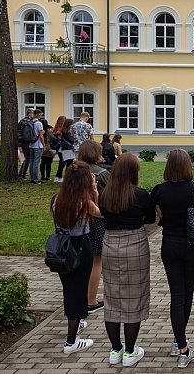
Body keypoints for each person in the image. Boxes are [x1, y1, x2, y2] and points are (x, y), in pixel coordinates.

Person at [151, 149, 194, 368]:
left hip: (170, 245)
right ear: (188, 166)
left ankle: (179, 342)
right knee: (188, 292)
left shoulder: (159, 190)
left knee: (177, 294)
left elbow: (160, 216)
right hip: (193, 246)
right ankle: (182, 347)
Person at [98, 153, 155, 367]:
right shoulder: (140, 195)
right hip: (135, 245)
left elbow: (102, 215)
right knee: (134, 297)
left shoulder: (104, 194)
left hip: (110, 244)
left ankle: (115, 350)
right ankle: (130, 352)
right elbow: (151, 218)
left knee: (112, 296)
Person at [52, 161, 101, 353]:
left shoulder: (56, 199)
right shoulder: (84, 202)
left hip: (62, 248)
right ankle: (71, 342)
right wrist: (95, 191)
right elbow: (100, 214)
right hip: (80, 246)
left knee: (69, 288)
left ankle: (77, 321)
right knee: (79, 291)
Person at [79, 140, 111, 314]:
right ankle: (91, 300)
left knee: (80, 260)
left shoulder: (74, 170)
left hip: (77, 220)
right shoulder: (102, 174)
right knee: (96, 261)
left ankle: (77, 298)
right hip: (97, 220)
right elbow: (108, 198)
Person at [55, 118, 76, 183]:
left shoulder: (63, 131)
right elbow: (71, 140)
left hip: (64, 149)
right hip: (67, 149)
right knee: (67, 163)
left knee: (62, 163)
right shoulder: (67, 133)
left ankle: (58, 176)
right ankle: (65, 177)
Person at [28, 109, 45, 184]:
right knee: (36, 162)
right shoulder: (39, 123)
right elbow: (41, 136)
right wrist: (43, 145)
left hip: (31, 144)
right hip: (38, 145)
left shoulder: (31, 122)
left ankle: (32, 178)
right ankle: (36, 179)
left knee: (31, 162)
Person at [17, 108, 34, 179]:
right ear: (29, 113)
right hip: (27, 142)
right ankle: (22, 174)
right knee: (28, 158)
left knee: (27, 158)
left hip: (22, 141)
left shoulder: (21, 121)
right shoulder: (29, 122)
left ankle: (21, 173)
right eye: (33, 113)